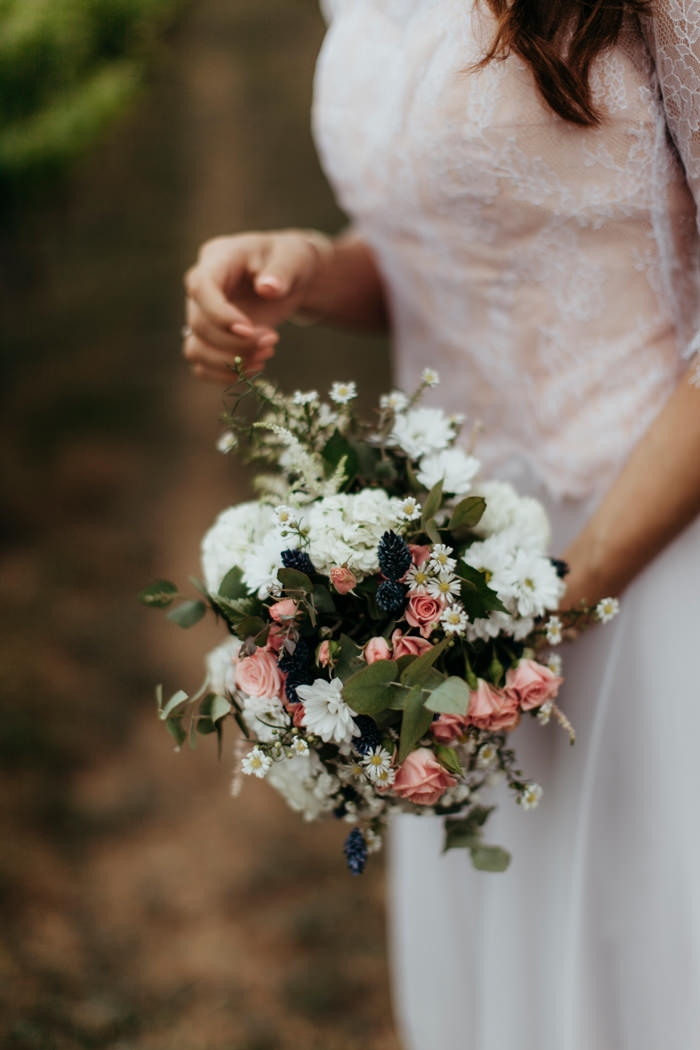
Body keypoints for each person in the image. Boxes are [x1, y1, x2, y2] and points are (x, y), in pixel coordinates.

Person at [181, 1, 700, 1047]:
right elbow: (466, 228)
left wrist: (555, 599)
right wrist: (310, 271)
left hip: (652, 557)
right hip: (450, 589)